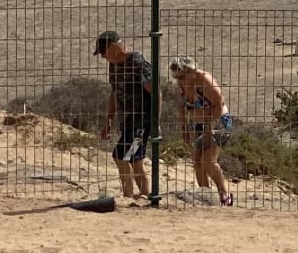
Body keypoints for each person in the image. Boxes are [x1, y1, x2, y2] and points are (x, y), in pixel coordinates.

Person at [94, 30, 154, 201]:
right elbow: (114, 93)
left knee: (126, 156)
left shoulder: (138, 63)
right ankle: (136, 195)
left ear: (113, 47)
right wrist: (108, 120)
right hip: (127, 121)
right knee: (128, 157)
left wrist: (155, 121)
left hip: (141, 121)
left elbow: (155, 92)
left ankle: (137, 195)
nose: (103, 57)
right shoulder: (114, 66)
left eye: (103, 52)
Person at [168, 56, 234, 207]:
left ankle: (224, 195)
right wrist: (184, 128)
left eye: (182, 77)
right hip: (198, 124)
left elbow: (219, 103)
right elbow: (182, 106)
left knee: (208, 160)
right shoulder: (182, 84)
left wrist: (210, 125)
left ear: (191, 71)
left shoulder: (205, 81)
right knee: (197, 161)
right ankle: (206, 195)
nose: (179, 80)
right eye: (176, 77)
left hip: (218, 122)